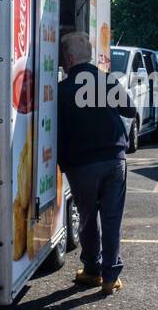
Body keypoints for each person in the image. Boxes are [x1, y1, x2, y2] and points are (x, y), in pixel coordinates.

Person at [58, 32, 136, 295]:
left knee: (89, 219)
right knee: (112, 219)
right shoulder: (106, 82)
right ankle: (110, 278)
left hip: (81, 166)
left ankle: (92, 270)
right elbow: (130, 110)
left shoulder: (61, 91)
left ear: (68, 58)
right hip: (115, 160)